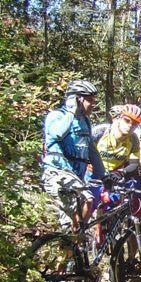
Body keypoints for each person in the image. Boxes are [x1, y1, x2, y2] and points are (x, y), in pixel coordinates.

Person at [42, 80, 105, 229]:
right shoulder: (57, 116)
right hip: (57, 173)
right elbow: (57, 133)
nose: (93, 104)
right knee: (87, 199)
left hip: (77, 177)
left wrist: (104, 175)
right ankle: (76, 240)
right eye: (89, 100)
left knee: (69, 225)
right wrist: (71, 110)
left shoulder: (85, 121)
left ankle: (70, 249)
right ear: (77, 99)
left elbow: (92, 151)